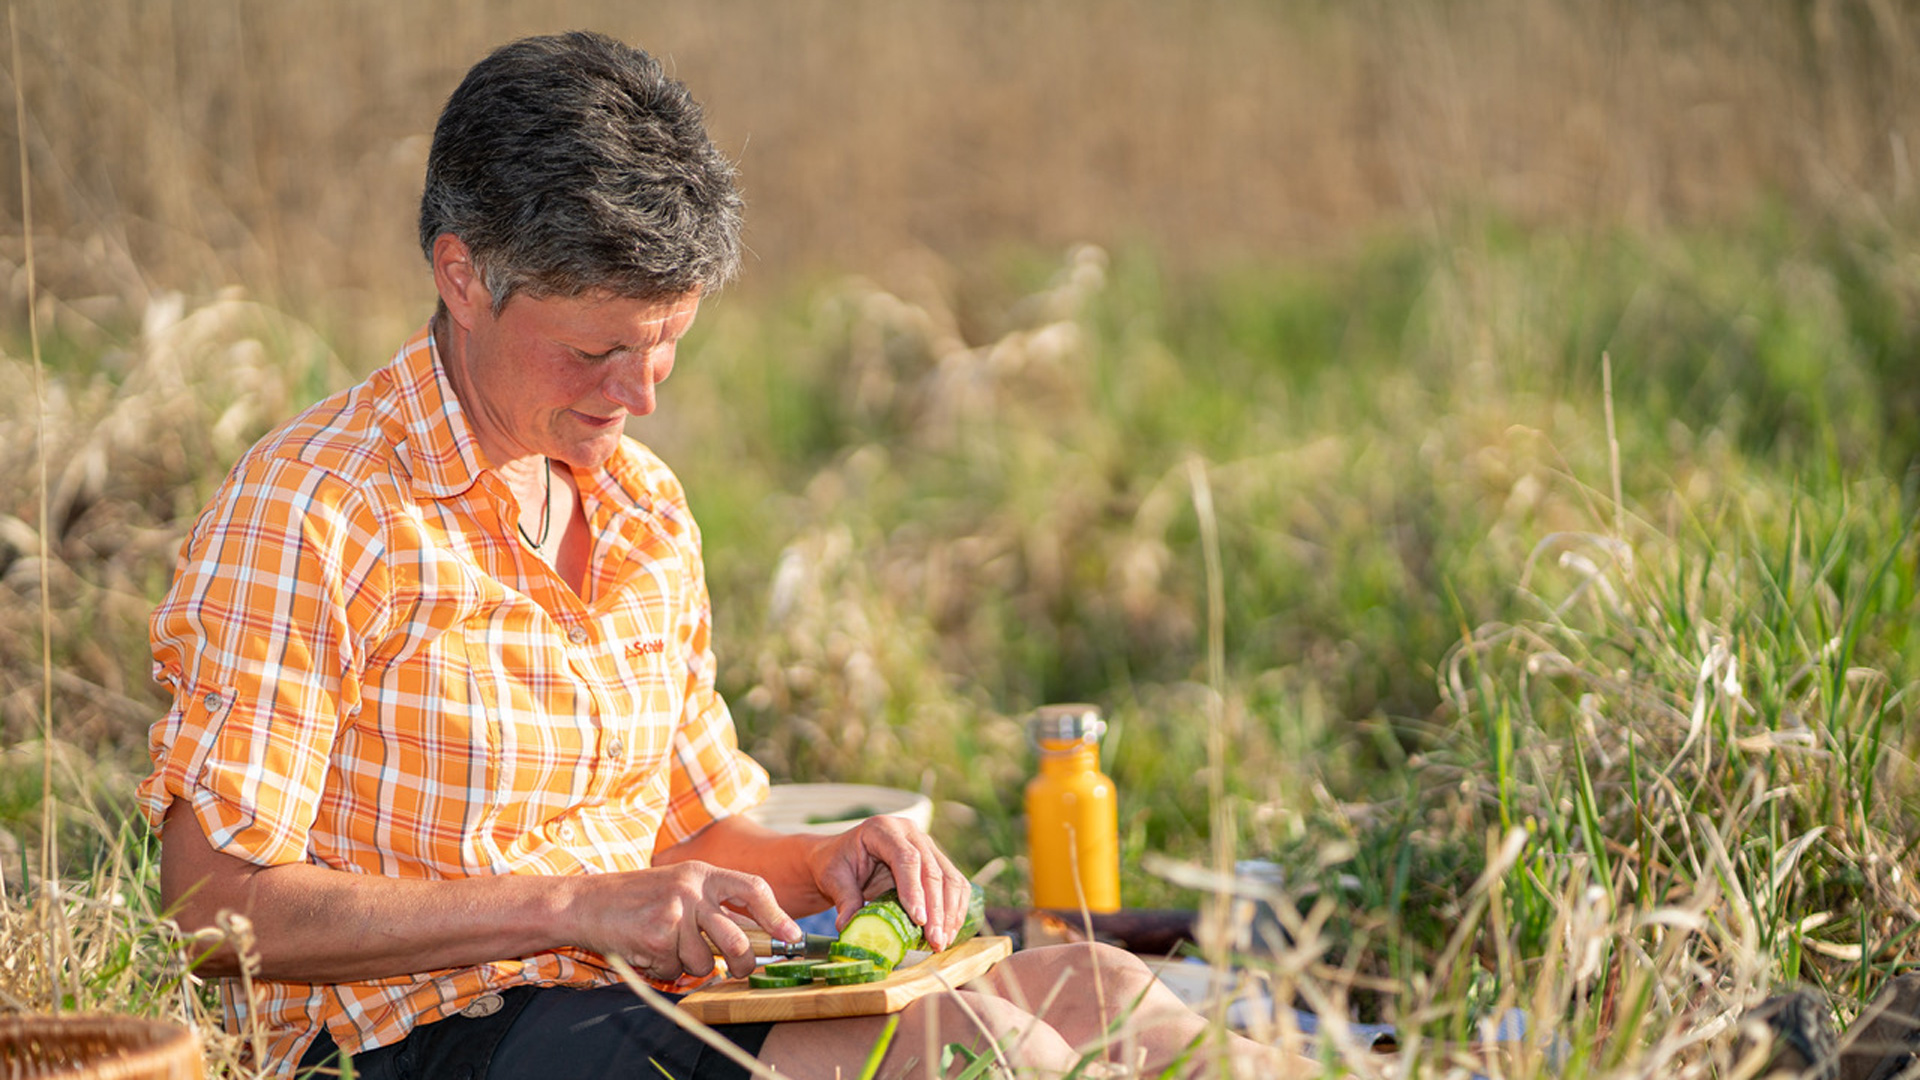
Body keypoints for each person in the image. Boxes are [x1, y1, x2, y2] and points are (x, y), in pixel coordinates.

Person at [139, 31, 1308, 1080]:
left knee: (1101, 995)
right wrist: (576, 908)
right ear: (462, 276)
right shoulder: (314, 509)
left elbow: (691, 835)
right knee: (966, 1052)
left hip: (648, 993)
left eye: (667, 346)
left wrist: (830, 865)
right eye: (598, 349)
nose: (640, 397)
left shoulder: (641, 509)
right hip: (417, 1036)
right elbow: (214, 907)